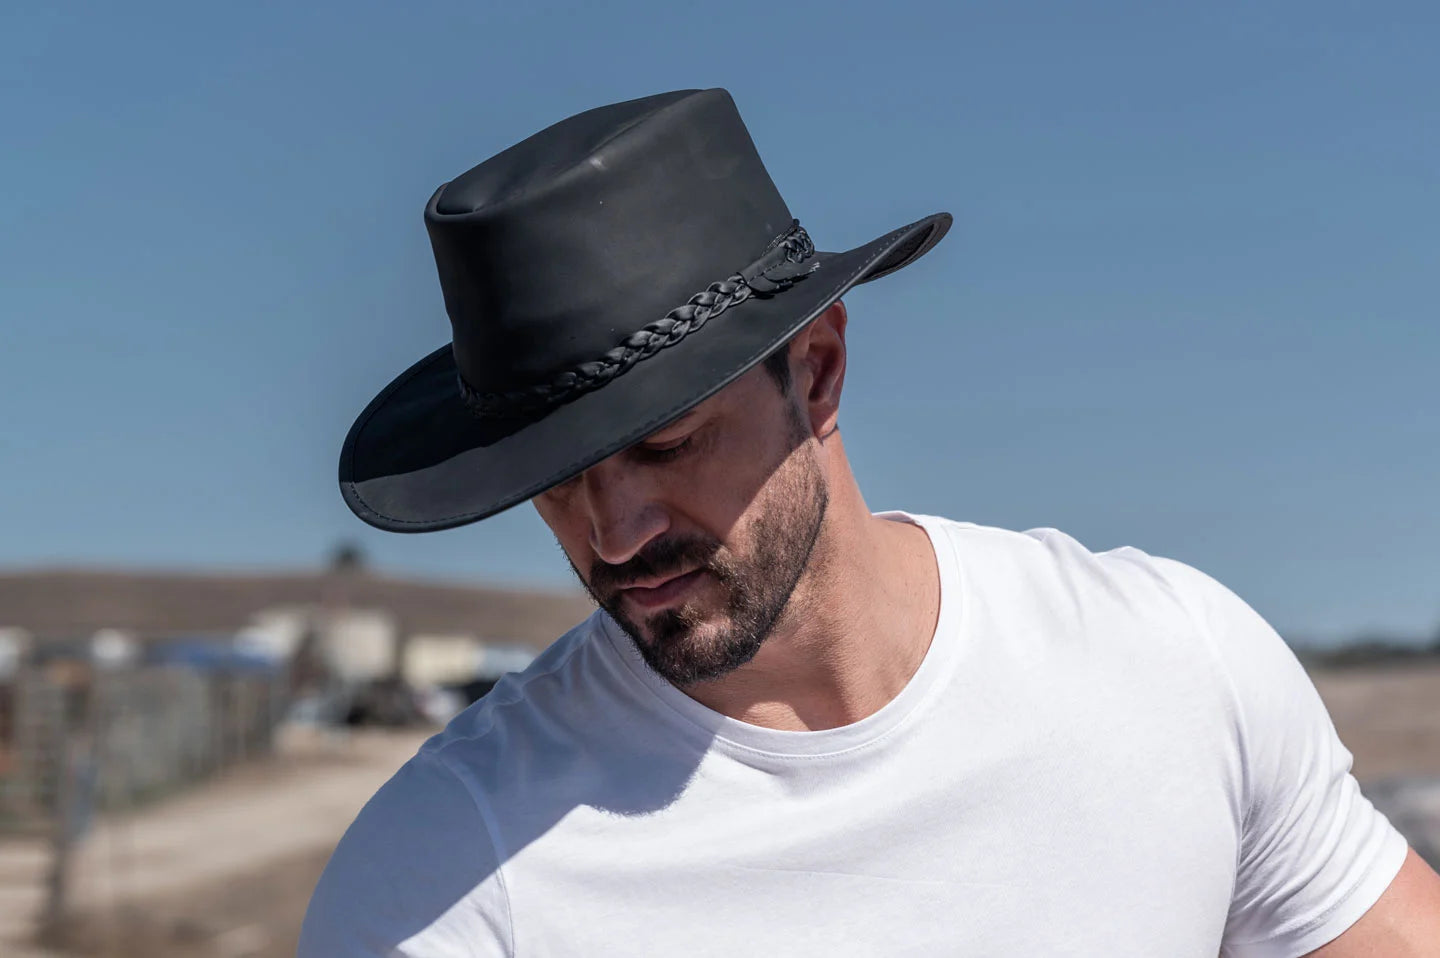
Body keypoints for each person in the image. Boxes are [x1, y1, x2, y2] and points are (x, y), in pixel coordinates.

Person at [301, 89, 1440, 956]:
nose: (612, 534)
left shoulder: (1171, 663)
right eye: (555, 480)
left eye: (664, 445)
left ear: (822, 366)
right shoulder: (447, 874)